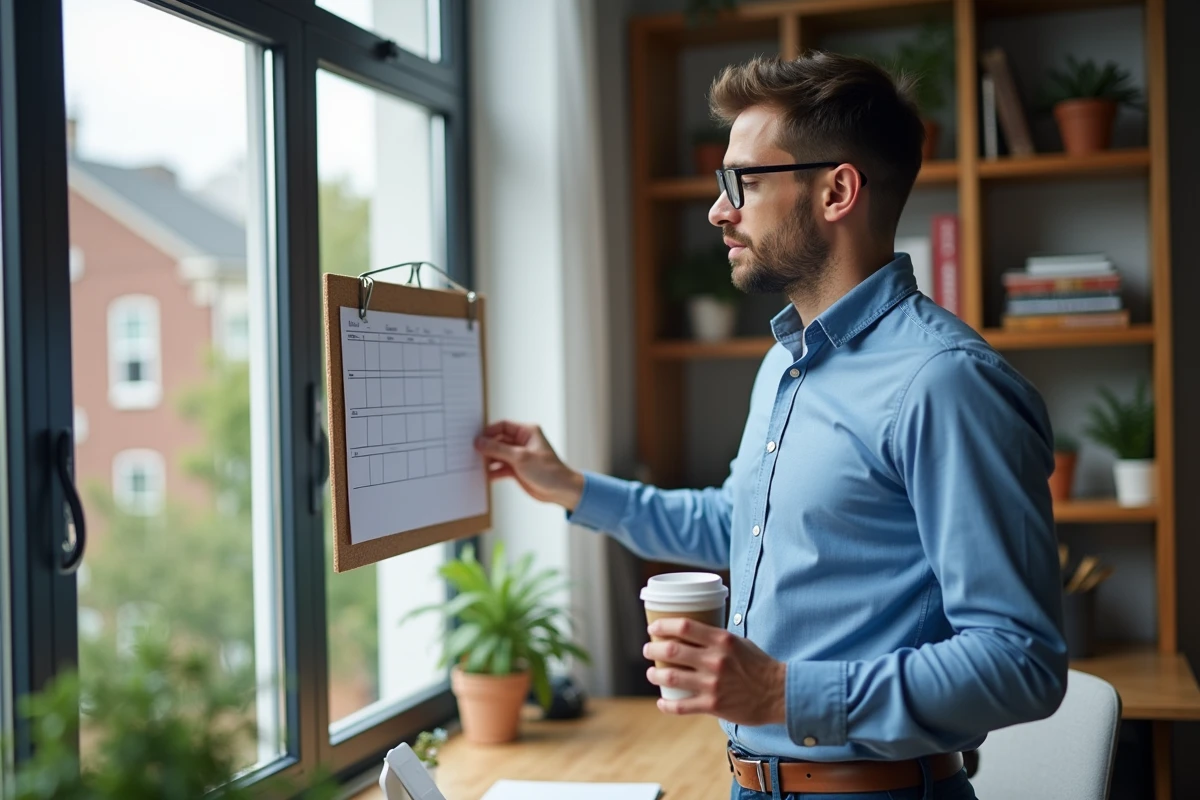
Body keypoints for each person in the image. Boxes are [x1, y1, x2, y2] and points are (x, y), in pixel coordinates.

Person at [475, 52, 1066, 800]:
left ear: (836, 191)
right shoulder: (785, 363)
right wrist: (569, 487)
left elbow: (1021, 661)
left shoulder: (945, 383)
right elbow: (740, 525)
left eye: (743, 182)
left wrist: (783, 693)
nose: (719, 210)